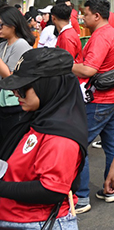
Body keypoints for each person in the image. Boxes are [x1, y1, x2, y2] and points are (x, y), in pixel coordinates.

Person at [0, 48, 87, 230]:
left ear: (48, 85)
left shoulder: (61, 136)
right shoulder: (38, 118)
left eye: (23, 88)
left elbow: (51, 190)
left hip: (35, 222)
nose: (16, 93)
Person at [72, 0, 114, 212]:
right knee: (113, 147)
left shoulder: (101, 36)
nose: (82, 19)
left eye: (84, 14)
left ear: (96, 15)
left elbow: (89, 69)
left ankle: (81, 197)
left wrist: (65, 63)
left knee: (78, 147)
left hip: (99, 100)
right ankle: (111, 189)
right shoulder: (113, 33)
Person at [0, 5, 35, 144]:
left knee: (11, 146)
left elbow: (10, 78)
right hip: (5, 104)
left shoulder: (21, 44)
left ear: (13, 25)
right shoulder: (4, 44)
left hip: (14, 104)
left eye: (1, 25)